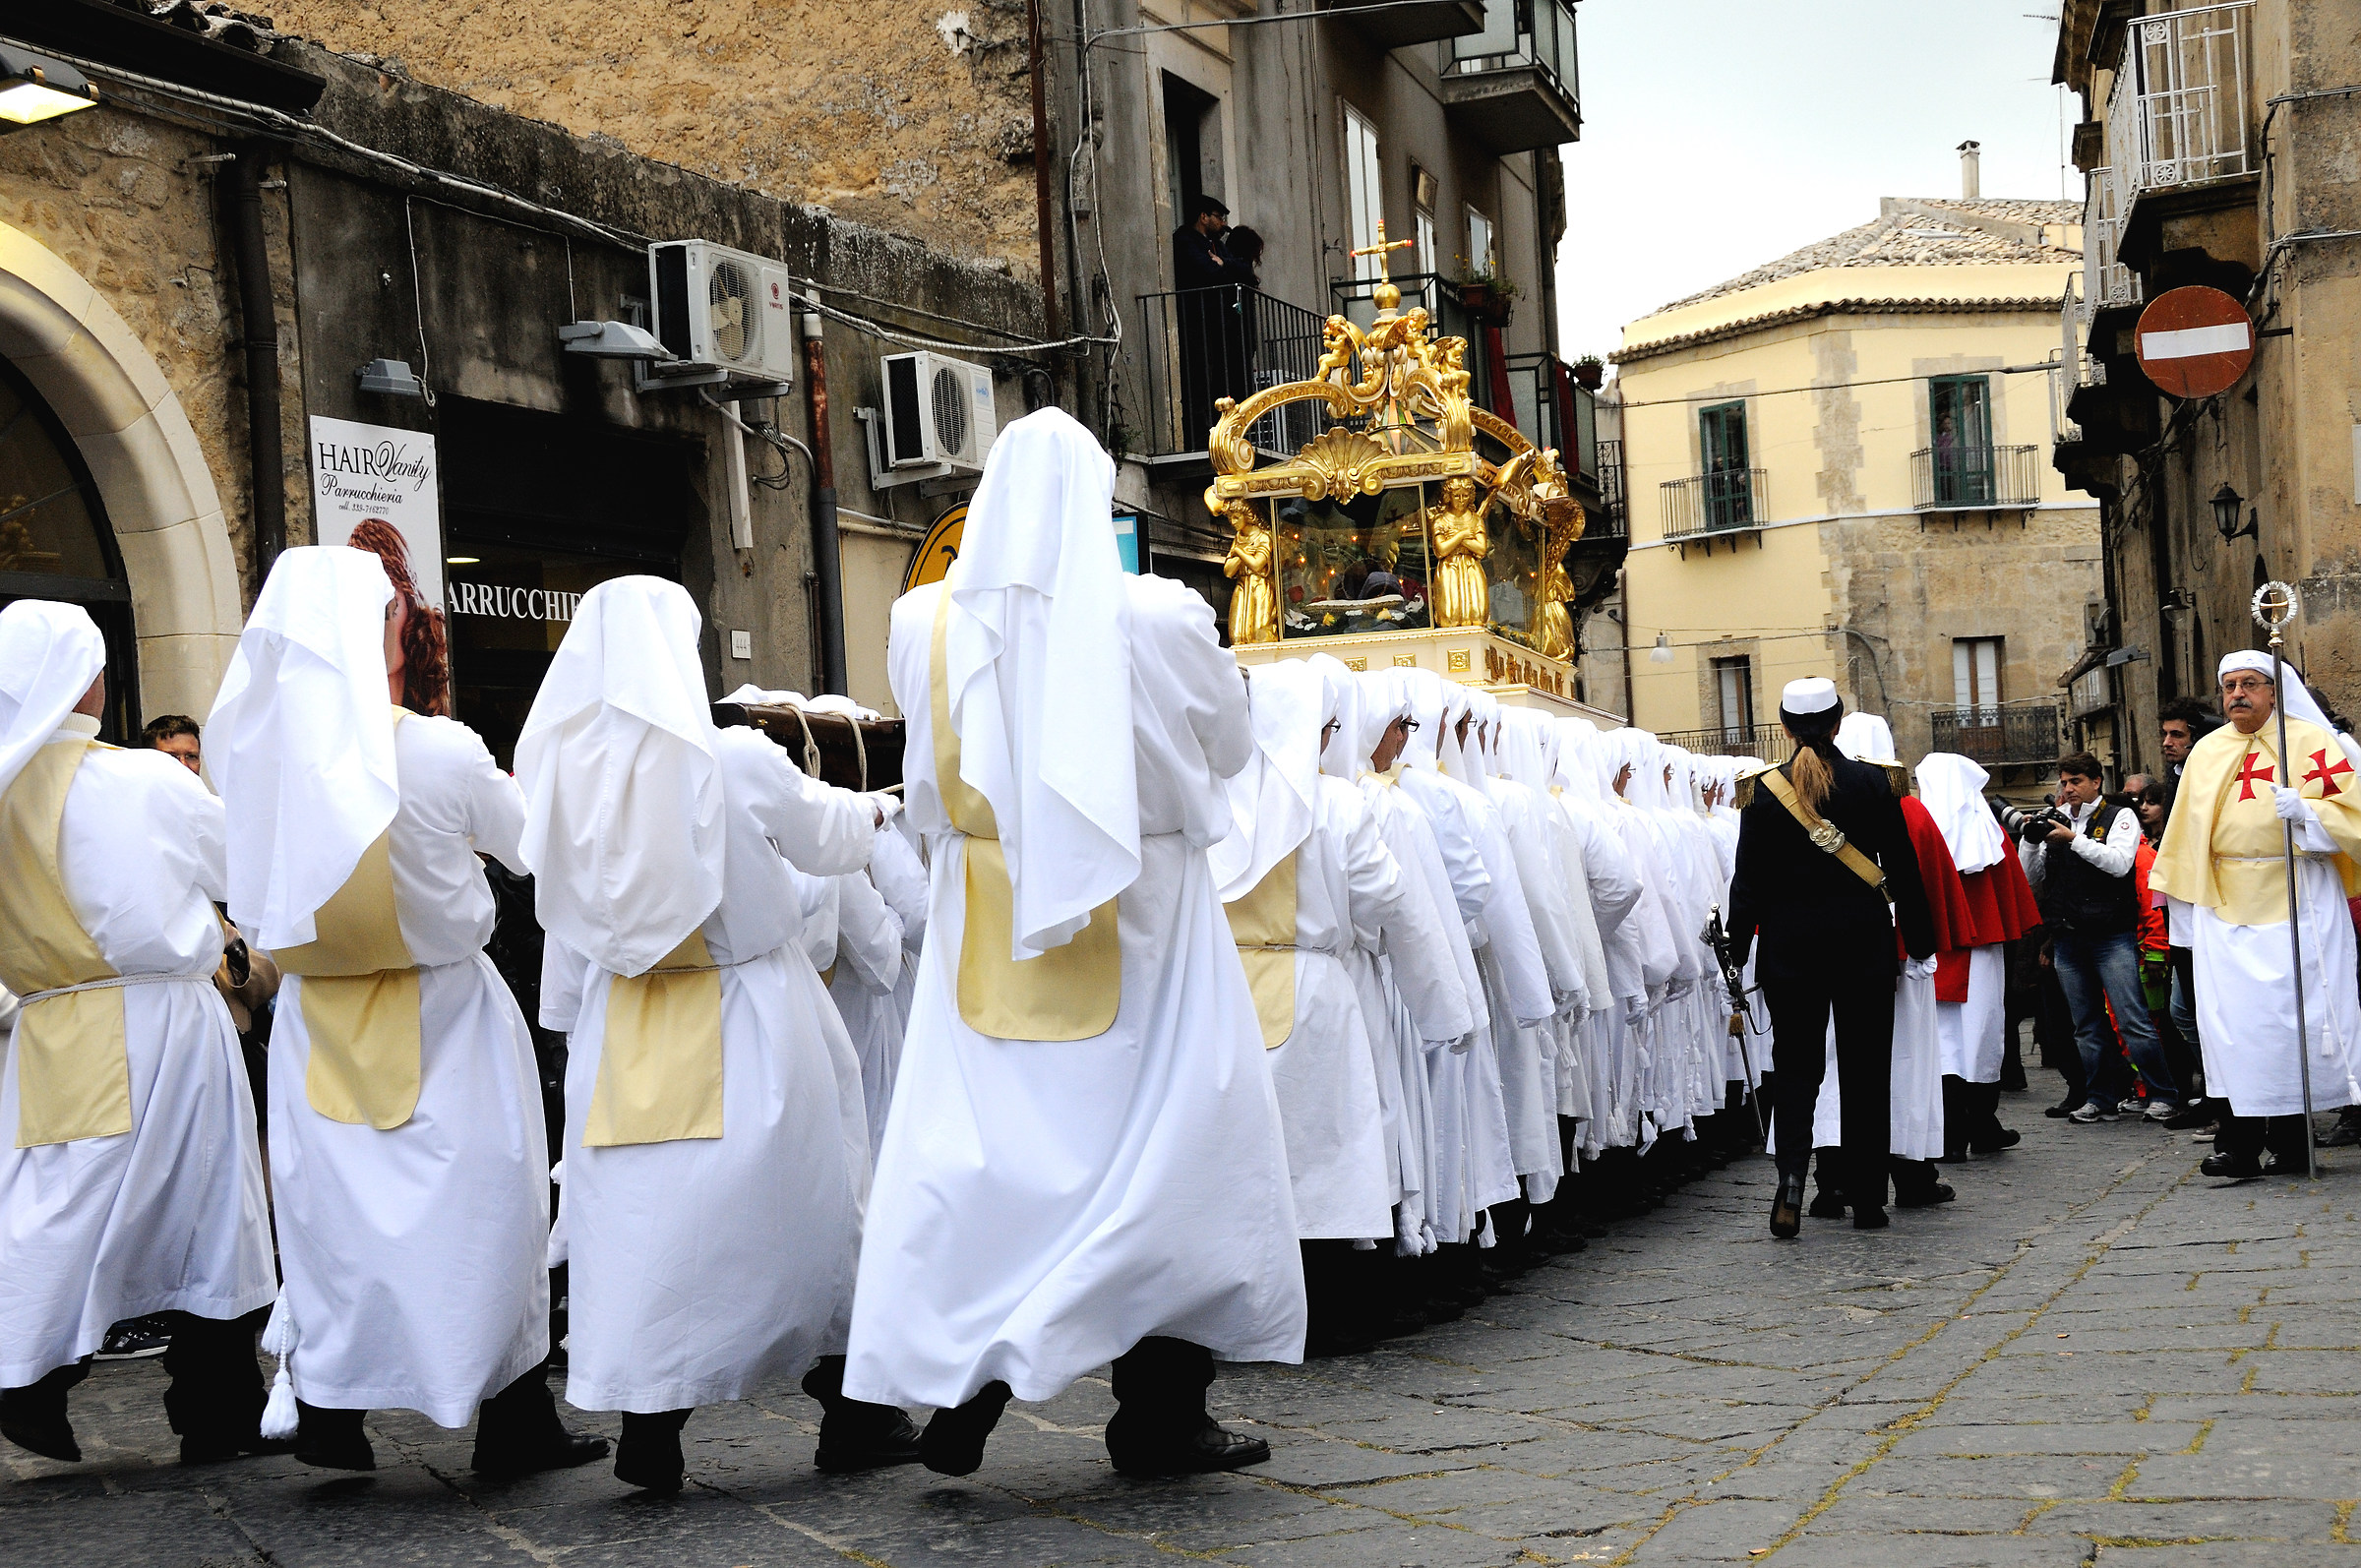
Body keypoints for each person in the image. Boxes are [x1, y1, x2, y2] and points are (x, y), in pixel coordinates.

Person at [843, 407, 1303, 1478]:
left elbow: (923, 770)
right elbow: (1233, 745)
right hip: (1147, 929)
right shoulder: (1159, 616)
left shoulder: (921, 622)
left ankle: (972, 1379)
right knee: (1175, 1160)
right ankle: (1159, 1410)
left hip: (984, 926)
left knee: (997, 1167)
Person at [207, 546, 603, 1478]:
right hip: (444, 1016)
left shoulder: (258, 766)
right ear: (375, 634)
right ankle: (511, 1422)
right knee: (487, 1215)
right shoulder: (436, 750)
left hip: (316, 1024)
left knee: (332, 1223)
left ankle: (334, 1414)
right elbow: (528, 847)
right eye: (392, 614)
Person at [515, 577, 906, 1492]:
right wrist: (884, 807)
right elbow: (828, 839)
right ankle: (853, 1406)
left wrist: (570, 1018)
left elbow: (560, 923)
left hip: (626, 1021)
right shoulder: (732, 758)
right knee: (806, 1205)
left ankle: (653, 1419)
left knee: (652, 1223)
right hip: (750, 1011)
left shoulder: (566, 773)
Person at [0, 602, 277, 1467]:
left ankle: (42, 1377)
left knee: (57, 1203)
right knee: (212, 1211)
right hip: (159, 1018)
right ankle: (203, 1405)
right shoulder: (143, 779)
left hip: (50, 1024)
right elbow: (242, 868)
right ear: (88, 680)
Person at [1212, 659, 1462, 1354]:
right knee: (1328, 1154)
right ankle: (1331, 1308)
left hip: (1225, 993)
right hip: (1316, 993)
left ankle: (1246, 1314)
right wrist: (1439, 1003)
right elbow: (1391, 903)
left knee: (1248, 1158)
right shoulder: (1338, 805)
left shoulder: (1214, 804)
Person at [1727, 679, 1933, 1236]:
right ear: (1839, 721)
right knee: (1867, 1071)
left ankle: (1791, 1182)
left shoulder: (1763, 791)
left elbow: (1747, 884)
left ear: (1786, 726)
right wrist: (1921, 942)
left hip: (1790, 951)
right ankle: (1868, 1198)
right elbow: (1905, 872)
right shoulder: (1876, 782)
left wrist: (1737, 949)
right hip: (1862, 948)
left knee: (1796, 1071)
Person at [2150, 653, 2361, 1178]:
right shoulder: (2208, 751)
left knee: (2289, 1025)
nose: (2237, 694)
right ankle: (2239, 1144)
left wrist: (2309, 813)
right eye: (2229, 686)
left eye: (2250, 684)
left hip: (2296, 895)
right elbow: (2187, 830)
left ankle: (2290, 1143)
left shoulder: (2311, 742)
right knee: (2233, 1030)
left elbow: (2354, 813)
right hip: (2225, 904)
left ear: (2274, 690)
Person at [2021, 753, 2184, 1123]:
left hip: (2111, 935)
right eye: (2063, 782)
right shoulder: (2058, 821)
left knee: (2132, 1020)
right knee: (2086, 1026)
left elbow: (2119, 863)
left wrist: (2072, 838)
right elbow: (2031, 878)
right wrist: (2031, 840)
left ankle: (2163, 1093)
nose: (2068, 789)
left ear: (2096, 782)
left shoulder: (2119, 815)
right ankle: (2101, 1096)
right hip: (2068, 936)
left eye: (2076, 781)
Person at [1915, 753, 2041, 1161]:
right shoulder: (1989, 833)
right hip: (1982, 950)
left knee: (1944, 1044)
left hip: (1933, 951)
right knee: (1981, 1039)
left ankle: (1950, 1137)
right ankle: (1982, 1125)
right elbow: (2013, 893)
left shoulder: (1918, 828)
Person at [1172, 194, 1235, 452]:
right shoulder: (1185, 240)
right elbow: (1205, 270)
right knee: (1196, 379)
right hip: (1192, 318)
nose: (1222, 223)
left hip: (1212, 320)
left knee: (1214, 379)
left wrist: (1224, 263)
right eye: (1219, 217)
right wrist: (1221, 267)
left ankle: (1217, 434)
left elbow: (1242, 269)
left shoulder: (1215, 245)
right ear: (1203, 217)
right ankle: (1198, 439)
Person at [2159, 696, 2218, 782]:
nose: (2166, 743)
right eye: (2165, 734)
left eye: (2177, 735)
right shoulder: (2173, 774)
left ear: (2199, 737)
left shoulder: (2220, 774)